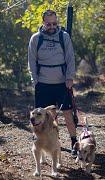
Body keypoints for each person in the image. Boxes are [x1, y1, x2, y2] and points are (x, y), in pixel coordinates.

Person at [27, 10, 77, 155]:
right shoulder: (36, 38)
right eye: (48, 24)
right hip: (42, 83)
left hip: (62, 83)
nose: (52, 26)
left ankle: (74, 143)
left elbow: (70, 58)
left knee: (68, 113)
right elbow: (31, 61)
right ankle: (52, 142)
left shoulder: (64, 37)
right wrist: (34, 80)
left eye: (54, 23)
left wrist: (69, 77)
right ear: (43, 23)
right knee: (48, 116)